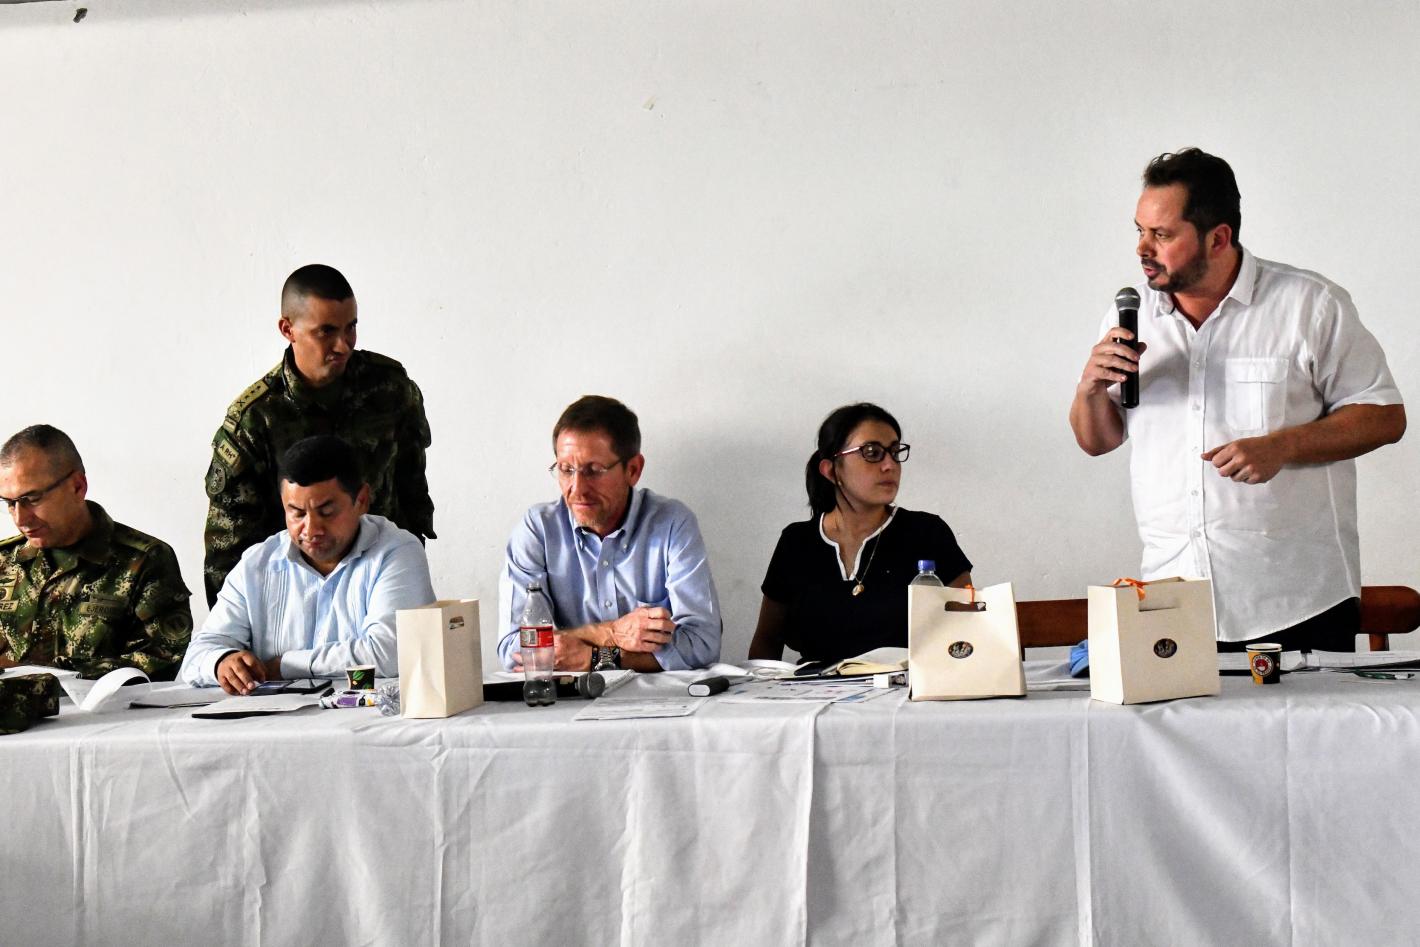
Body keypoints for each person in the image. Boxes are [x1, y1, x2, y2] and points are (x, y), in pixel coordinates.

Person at [1069, 147, 1405, 652]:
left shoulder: (1309, 305)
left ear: (1218, 237)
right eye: (1139, 231)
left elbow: (1383, 416)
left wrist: (1282, 446)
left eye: (1162, 234)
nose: (1142, 248)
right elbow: (1098, 441)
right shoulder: (1130, 317)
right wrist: (1090, 388)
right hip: (1172, 597)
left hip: (1294, 601)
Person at [202, 263, 436, 607]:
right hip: (293, 599)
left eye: (350, 327)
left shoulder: (390, 388)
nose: (343, 345)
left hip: (380, 580)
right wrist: (244, 627)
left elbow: (412, 493)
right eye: (326, 331)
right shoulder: (255, 420)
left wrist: (407, 570)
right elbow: (228, 555)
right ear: (288, 329)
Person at [182, 435, 435, 693]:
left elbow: (390, 653)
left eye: (327, 512)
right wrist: (222, 662)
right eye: (297, 513)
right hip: (273, 717)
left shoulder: (396, 552)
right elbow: (197, 656)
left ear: (361, 501)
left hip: (367, 715)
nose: (311, 529)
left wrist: (284, 665)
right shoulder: (257, 564)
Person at [497, 395, 721, 673]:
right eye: (566, 470)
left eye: (594, 471)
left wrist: (596, 658)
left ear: (633, 470)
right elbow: (515, 650)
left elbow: (702, 644)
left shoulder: (672, 524)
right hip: (569, 699)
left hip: (660, 698)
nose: (577, 489)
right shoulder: (538, 529)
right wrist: (612, 632)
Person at [748, 403, 973, 663]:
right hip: (816, 686)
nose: (890, 465)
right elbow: (767, 641)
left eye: (895, 452)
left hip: (909, 685)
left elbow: (970, 628)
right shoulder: (797, 543)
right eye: (872, 453)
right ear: (831, 470)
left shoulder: (927, 533)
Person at [0, 425, 193, 679]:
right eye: (10, 503)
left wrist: (42, 676)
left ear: (77, 486)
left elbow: (161, 660)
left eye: (32, 499)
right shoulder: (4, 561)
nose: (20, 518)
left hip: (106, 706)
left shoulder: (143, 561)